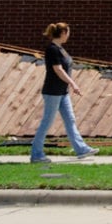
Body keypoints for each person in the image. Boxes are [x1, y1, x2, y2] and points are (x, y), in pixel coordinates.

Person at [29, 22, 98, 163]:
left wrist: (68, 85)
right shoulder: (52, 49)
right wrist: (73, 83)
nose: (69, 35)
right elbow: (58, 69)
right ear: (63, 33)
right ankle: (36, 155)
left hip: (62, 92)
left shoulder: (61, 49)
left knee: (70, 120)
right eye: (68, 32)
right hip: (52, 91)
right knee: (47, 122)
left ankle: (81, 149)